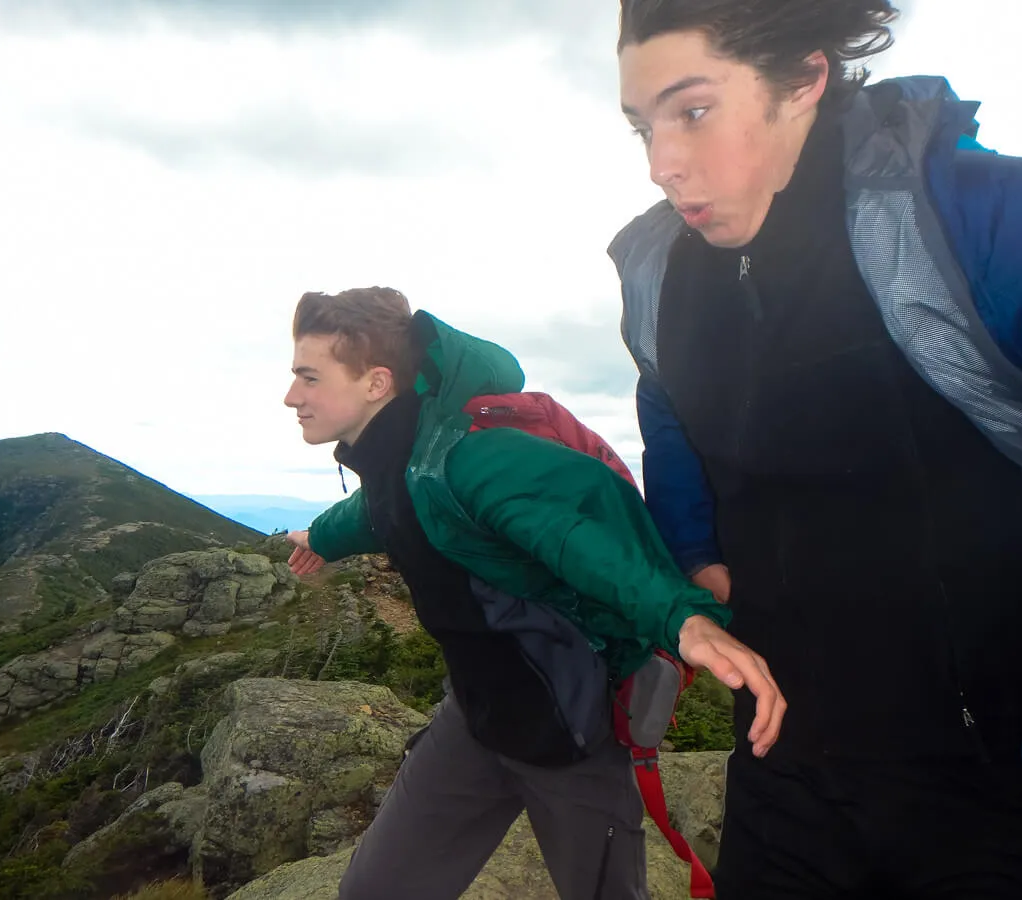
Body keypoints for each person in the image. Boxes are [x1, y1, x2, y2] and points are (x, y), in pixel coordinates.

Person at [609, 1, 1022, 897]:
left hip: (990, 767)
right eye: (643, 126)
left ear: (804, 82)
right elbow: (665, 398)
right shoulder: (658, 269)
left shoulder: (1013, 227)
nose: (662, 163)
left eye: (694, 110)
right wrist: (696, 552)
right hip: (780, 760)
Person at [279, 287, 785, 899]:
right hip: (477, 718)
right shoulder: (404, 458)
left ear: (376, 382)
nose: (292, 396)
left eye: (308, 377)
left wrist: (684, 618)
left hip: (567, 723)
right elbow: (378, 508)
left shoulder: (476, 459)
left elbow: (580, 538)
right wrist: (321, 537)